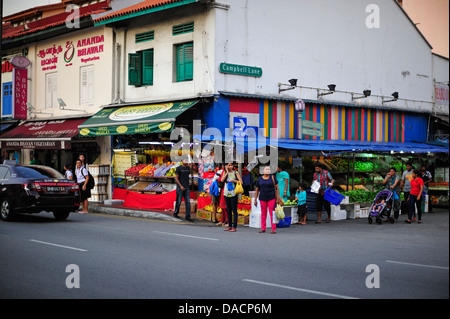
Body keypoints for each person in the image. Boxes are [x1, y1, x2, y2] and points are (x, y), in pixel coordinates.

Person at [254, 166, 284, 234]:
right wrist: (255, 199)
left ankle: (273, 229)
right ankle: (263, 228)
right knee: (263, 213)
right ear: (263, 171)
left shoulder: (273, 178)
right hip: (262, 198)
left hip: (271, 197)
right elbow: (257, 189)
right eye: (266, 169)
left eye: (269, 169)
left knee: (272, 213)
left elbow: (277, 188)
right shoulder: (259, 179)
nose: (268, 170)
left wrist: (277, 198)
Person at [220, 163, 243, 232]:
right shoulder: (224, 172)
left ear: (232, 166)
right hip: (226, 193)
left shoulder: (236, 173)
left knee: (234, 210)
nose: (229, 166)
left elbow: (241, 182)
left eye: (230, 165)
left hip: (233, 193)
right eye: (227, 165)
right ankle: (230, 225)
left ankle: (234, 226)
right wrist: (226, 172)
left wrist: (233, 180)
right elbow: (222, 180)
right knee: (228, 209)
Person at [173, 158, 193, 222]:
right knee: (179, 201)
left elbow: (189, 176)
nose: (186, 161)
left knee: (188, 202)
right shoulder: (179, 168)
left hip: (187, 187)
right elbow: (177, 178)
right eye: (185, 160)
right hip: (180, 187)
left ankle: (188, 216)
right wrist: (180, 186)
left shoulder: (187, 168)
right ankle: (175, 212)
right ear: (182, 161)